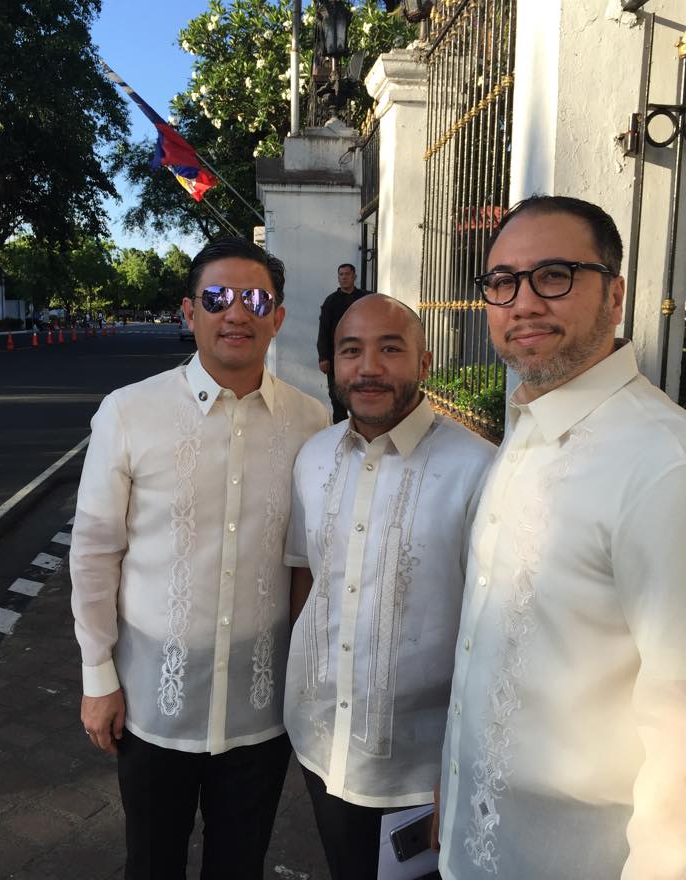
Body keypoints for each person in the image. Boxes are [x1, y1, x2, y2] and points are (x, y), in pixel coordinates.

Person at [437, 195, 686, 880]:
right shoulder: (527, 432)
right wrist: (453, 791)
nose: (523, 303)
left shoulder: (663, 464)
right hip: (476, 844)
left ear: (616, 295)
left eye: (554, 274)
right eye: (502, 282)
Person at [70, 236, 329, 880]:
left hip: (259, 710)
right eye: (217, 297)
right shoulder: (129, 413)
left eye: (255, 298)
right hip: (153, 706)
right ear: (190, 312)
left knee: (240, 866)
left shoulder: (311, 421)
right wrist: (96, 674)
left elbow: (307, 560)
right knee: (151, 863)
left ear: (278, 316)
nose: (235, 312)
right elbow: (96, 550)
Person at [285, 294, 495, 880]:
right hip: (322, 744)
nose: (369, 367)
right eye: (352, 351)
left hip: (421, 767)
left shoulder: (478, 470)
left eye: (390, 349)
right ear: (332, 364)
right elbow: (306, 574)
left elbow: (495, 633)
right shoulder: (312, 456)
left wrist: (462, 770)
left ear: (424, 363)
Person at [317, 263, 368, 422]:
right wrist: (323, 357)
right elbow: (323, 330)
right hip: (336, 357)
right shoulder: (331, 301)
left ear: (354, 276)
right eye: (341, 275)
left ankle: (363, 429)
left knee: (361, 391)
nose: (344, 278)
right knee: (337, 396)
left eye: (347, 274)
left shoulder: (365, 298)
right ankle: (340, 433)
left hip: (362, 355)